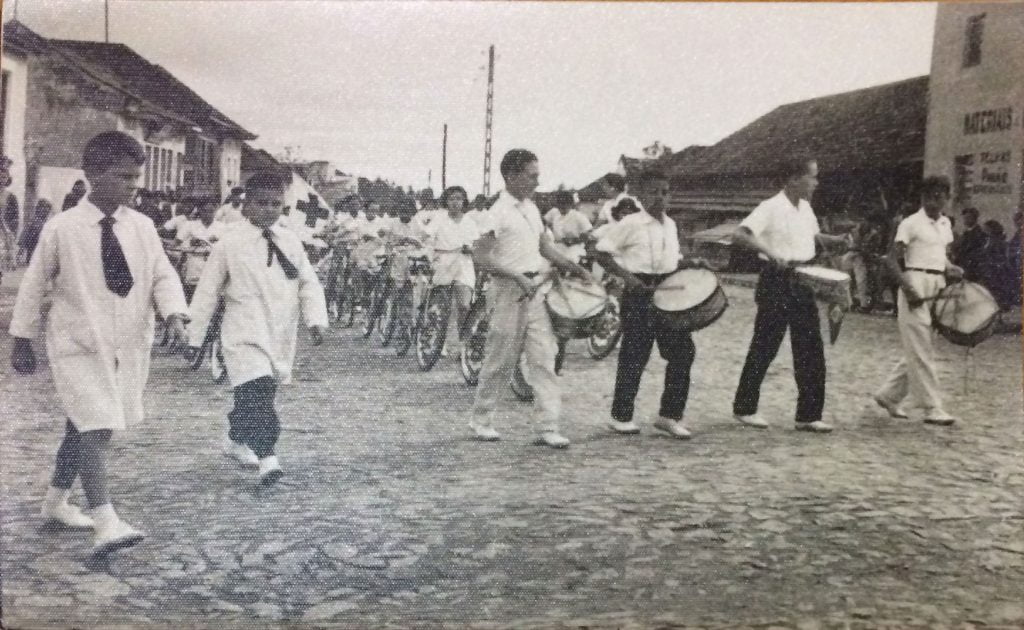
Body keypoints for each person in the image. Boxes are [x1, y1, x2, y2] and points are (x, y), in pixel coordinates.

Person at [9, 131, 189, 556]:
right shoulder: (62, 228)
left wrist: (175, 314)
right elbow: (35, 285)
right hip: (78, 343)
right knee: (97, 424)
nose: (133, 185)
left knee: (83, 422)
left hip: (126, 342)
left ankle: (55, 502)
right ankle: (105, 519)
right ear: (92, 174)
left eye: (136, 177)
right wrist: (22, 338)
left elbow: (162, 275)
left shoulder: (142, 227)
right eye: (123, 176)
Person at [188, 171, 328, 487]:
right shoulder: (229, 244)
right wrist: (194, 337)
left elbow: (308, 282)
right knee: (258, 391)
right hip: (243, 331)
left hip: (279, 331)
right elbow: (208, 291)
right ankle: (268, 456)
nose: (269, 209)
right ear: (246, 205)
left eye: (275, 204)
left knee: (256, 391)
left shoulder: (291, 242)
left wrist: (316, 319)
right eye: (261, 203)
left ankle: (236, 439)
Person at [468, 149, 591, 449]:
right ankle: (481, 420)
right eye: (531, 175)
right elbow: (480, 256)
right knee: (501, 359)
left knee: (544, 357)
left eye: (537, 175)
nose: (537, 181)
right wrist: (516, 276)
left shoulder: (532, 209)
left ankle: (548, 425)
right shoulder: (497, 212)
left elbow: (544, 247)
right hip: (508, 291)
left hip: (535, 289)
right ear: (511, 175)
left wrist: (573, 267)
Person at [731, 156, 849, 434]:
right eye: (812, 176)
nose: (816, 182)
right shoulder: (770, 207)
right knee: (765, 345)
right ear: (794, 178)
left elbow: (815, 240)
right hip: (777, 279)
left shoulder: (806, 209)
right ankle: (745, 408)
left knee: (810, 348)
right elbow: (741, 234)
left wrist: (839, 241)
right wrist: (772, 254)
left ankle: (808, 415)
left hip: (804, 279)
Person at [594, 169, 704, 440]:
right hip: (639, 292)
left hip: (667, 291)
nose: (660, 197)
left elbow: (674, 260)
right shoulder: (631, 223)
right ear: (641, 195)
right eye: (654, 191)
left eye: (665, 192)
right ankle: (621, 417)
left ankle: (669, 416)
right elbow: (600, 251)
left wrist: (691, 263)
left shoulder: (671, 225)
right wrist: (629, 279)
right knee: (635, 354)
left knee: (683, 352)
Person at [874, 176, 964, 426]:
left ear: (947, 198)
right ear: (922, 198)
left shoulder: (945, 224)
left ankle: (889, 396)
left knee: (920, 347)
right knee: (921, 348)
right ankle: (932, 407)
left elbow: (939, 256)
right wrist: (907, 287)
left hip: (937, 286)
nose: (933, 201)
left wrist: (950, 267)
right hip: (914, 283)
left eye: (939, 196)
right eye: (928, 196)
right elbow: (891, 260)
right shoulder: (910, 224)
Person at [424, 186, 479, 356]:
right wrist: (429, 257)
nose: (456, 202)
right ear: (446, 201)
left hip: (463, 264)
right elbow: (428, 238)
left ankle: (465, 345)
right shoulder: (439, 219)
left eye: (459, 199)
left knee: (464, 305)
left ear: (464, 202)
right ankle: (440, 342)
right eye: (452, 199)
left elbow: (476, 244)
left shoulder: (470, 222)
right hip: (443, 263)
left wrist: (471, 249)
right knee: (442, 307)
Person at [549, 190, 593, 264]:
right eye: (559, 206)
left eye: (564, 205)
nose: (561, 208)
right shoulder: (556, 217)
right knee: (550, 258)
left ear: (570, 204)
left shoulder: (578, 216)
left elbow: (589, 234)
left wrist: (575, 240)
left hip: (576, 247)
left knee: (570, 259)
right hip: (560, 246)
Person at [954, 207, 986, 281]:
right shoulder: (965, 233)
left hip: (973, 269)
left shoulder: (979, 234)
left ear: (975, 218)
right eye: (964, 218)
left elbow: (977, 252)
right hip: (964, 267)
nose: (965, 220)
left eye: (968, 218)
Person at [0, 156, 20, 274]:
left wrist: (11, 234)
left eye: (4, 176)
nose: (2, 178)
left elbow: (14, 219)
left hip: (3, 233)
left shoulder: (10, 197)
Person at [17, 199, 53, 265]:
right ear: (38, 209)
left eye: (48, 209)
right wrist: (21, 251)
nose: (46, 211)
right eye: (44, 208)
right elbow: (24, 235)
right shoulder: (33, 222)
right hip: (33, 252)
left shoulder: (46, 223)